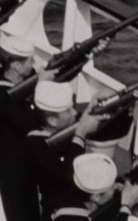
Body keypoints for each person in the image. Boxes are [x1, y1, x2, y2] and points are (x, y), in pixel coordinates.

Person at [0, 36, 54, 221]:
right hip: (10, 168)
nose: (34, 64)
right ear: (16, 66)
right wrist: (40, 86)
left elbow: (58, 73)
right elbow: (27, 122)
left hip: (27, 165)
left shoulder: (25, 79)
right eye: (30, 60)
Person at [26, 81, 104, 221]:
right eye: (68, 110)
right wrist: (80, 134)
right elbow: (69, 173)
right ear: (52, 121)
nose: (74, 112)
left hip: (72, 198)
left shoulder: (56, 130)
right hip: (56, 211)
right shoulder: (36, 144)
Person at [51, 153, 138, 221]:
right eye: (113, 187)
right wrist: (126, 206)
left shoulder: (74, 196)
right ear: (96, 197)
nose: (117, 187)